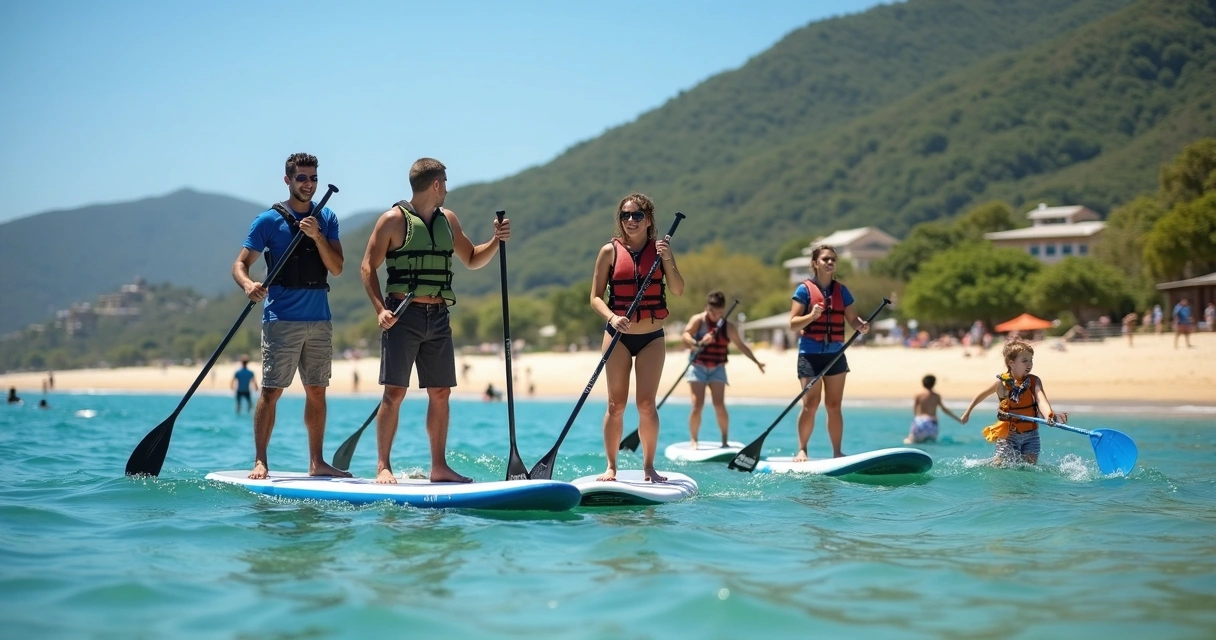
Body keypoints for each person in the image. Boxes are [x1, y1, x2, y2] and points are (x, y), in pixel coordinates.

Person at [361, 157, 510, 484]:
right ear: (436, 184)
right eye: (445, 181)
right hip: (402, 316)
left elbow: (471, 258)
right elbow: (367, 267)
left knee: (441, 392)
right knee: (395, 392)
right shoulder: (392, 220)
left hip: (439, 316)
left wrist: (495, 241)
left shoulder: (449, 220)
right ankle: (383, 465)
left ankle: (439, 467)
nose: (447, 188)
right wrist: (379, 309)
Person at [232, 152, 349, 480]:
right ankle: (260, 460)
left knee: (317, 390)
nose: (309, 184)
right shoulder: (268, 221)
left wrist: (317, 236)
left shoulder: (327, 218)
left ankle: (317, 462)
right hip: (281, 319)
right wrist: (248, 285)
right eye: (302, 178)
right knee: (271, 391)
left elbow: (337, 268)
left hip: (319, 320)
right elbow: (240, 264)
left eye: (313, 178)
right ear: (288, 180)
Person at [591, 192, 684, 482]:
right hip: (617, 336)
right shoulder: (609, 251)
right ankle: (611, 466)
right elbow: (595, 297)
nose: (630, 220)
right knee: (615, 405)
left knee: (646, 404)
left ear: (649, 220)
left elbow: (678, 289)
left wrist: (668, 260)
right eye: (625, 215)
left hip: (651, 338)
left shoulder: (660, 251)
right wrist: (612, 317)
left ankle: (648, 466)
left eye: (637, 215)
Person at [788, 245, 870, 461]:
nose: (830, 262)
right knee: (810, 405)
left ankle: (837, 452)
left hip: (835, 353)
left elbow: (852, 319)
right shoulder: (804, 290)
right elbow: (793, 324)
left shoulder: (841, 290)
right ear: (815, 263)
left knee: (834, 405)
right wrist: (811, 316)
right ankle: (802, 449)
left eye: (833, 259)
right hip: (810, 353)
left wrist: (860, 324)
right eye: (825, 259)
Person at [959, 337, 1067, 466]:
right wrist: (967, 412)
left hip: (1031, 435)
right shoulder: (1001, 383)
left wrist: (1049, 415)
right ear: (1011, 363)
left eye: (1031, 360)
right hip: (1009, 435)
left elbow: (1040, 399)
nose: (1029, 364)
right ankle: (979, 465)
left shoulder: (1034, 381)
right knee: (1002, 466)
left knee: (1029, 468)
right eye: (1024, 361)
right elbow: (981, 395)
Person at [680, 290, 765, 448]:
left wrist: (757, 362)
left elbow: (741, 345)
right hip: (698, 366)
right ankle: (694, 440)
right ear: (707, 308)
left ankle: (724, 440)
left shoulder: (729, 326)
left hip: (717, 368)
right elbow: (685, 336)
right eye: (712, 312)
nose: (715, 316)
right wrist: (698, 342)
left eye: (719, 312)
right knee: (697, 404)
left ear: (723, 310)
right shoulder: (698, 320)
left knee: (719, 404)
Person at [904, 374, 961, 444]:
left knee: (909, 441)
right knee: (931, 442)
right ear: (934, 384)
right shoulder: (936, 396)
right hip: (931, 422)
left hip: (920, 421)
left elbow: (915, 409)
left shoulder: (918, 395)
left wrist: (916, 420)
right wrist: (957, 419)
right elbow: (944, 409)